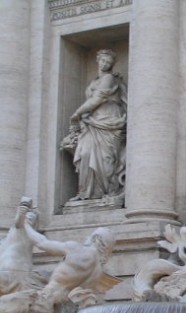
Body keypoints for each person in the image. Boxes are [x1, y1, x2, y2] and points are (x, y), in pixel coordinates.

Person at [66, 49, 127, 201]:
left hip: (109, 121)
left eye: (109, 62)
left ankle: (107, 191)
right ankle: (86, 192)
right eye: (103, 60)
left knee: (106, 159)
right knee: (85, 153)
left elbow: (97, 99)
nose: (105, 64)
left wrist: (77, 113)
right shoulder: (94, 81)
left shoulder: (109, 79)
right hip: (92, 123)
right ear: (97, 60)